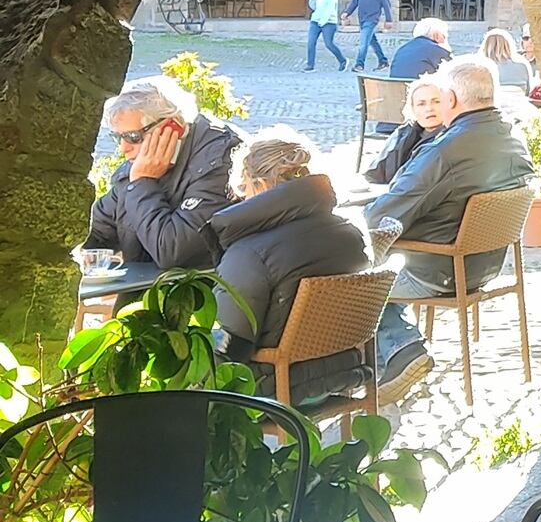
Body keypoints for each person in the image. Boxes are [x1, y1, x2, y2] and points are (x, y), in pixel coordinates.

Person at [365, 55, 533, 388]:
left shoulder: (445, 150)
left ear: (452, 99)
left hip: (435, 271)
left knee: (337, 272)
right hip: (485, 265)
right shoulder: (512, 140)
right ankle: (393, 353)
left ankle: (400, 349)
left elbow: (381, 215)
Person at [206, 127, 372, 402]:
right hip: (346, 372)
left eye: (244, 189)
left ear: (258, 185)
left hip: (272, 387)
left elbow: (230, 348)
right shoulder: (352, 233)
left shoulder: (250, 254)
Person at [85, 76, 240, 267]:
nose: (123, 149)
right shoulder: (141, 165)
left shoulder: (221, 160)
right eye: (119, 138)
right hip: (147, 293)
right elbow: (96, 230)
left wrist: (142, 183)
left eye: (133, 137)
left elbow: (173, 251)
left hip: (198, 292)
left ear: (172, 126)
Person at [362, 77, 446, 188]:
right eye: (421, 104)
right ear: (413, 109)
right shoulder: (409, 132)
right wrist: (406, 133)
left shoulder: (447, 139)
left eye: (436, 102)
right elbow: (375, 173)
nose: (429, 108)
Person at [342, 0, 394, 72]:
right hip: (362, 18)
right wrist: (347, 12)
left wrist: (389, 19)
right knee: (372, 41)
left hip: (372, 19)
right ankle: (383, 61)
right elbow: (355, 1)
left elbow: (386, 4)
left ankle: (359, 64)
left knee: (363, 42)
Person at [304, 0, 346, 72]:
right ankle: (310, 65)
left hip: (328, 22)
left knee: (328, 43)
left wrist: (323, 20)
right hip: (315, 20)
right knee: (311, 42)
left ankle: (342, 60)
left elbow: (330, 8)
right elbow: (313, 7)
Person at [479, 27, 538, 92]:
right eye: (526, 38)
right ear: (508, 46)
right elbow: (529, 92)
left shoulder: (478, 70)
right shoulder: (522, 67)